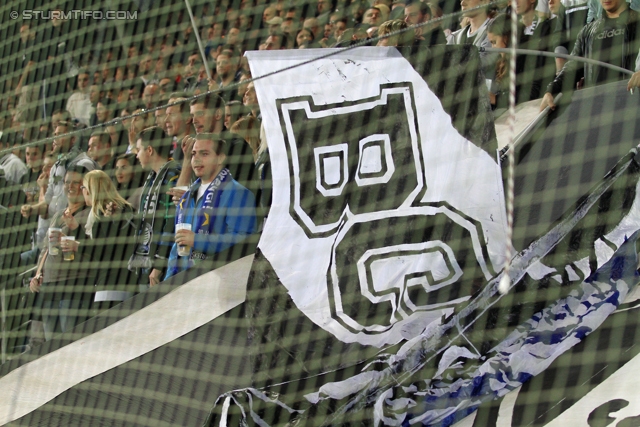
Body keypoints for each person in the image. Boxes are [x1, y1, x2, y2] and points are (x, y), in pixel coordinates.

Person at [164, 133, 256, 279]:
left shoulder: (238, 193)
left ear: (220, 158)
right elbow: (178, 246)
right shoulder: (187, 197)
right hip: (184, 284)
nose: (197, 159)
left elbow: (243, 241)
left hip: (221, 283)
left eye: (204, 153)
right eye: (194, 154)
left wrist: (197, 240)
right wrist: (167, 283)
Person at [29, 166, 94, 341]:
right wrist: (38, 274)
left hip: (74, 285)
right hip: (50, 286)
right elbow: (45, 250)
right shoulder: (58, 215)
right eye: (67, 182)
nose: (70, 186)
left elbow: (95, 250)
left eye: (76, 183)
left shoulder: (91, 213)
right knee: (51, 344)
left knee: (71, 342)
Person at [541, 0, 640, 110]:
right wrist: (551, 90)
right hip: (596, 108)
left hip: (631, 106)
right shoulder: (587, 32)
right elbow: (572, 67)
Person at [75, 170, 137, 313]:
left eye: (83, 187)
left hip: (112, 284)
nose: (82, 191)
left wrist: (78, 246)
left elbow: (103, 252)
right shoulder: (119, 209)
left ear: (91, 190)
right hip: (120, 281)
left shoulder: (109, 211)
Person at [130, 126, 181, 287]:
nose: (137, 155)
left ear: (150, 150)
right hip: (145, 261)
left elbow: (171, 221)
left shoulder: (174, 174)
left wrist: (159, 265)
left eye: (138, 150)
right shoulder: (152, 178)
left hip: (161, 266)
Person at [448, 0, 499, 80]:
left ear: (485, 2)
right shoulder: (454, 36)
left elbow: (483, 63)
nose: (462, 3)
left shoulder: (495, 33)